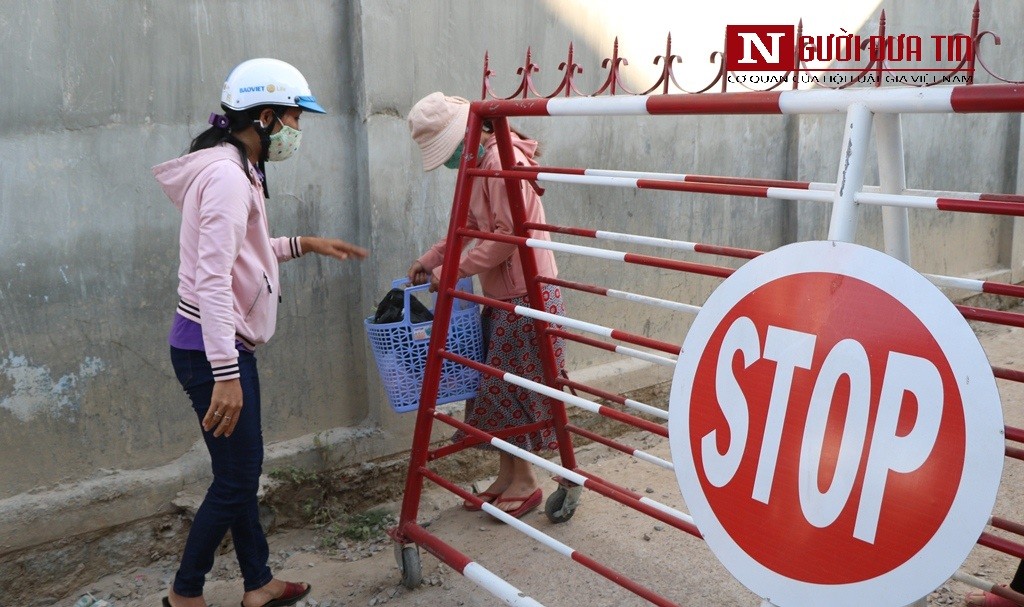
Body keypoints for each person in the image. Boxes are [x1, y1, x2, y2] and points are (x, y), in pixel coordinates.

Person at [153, 58, 368, 607]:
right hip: (211, 350)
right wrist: (226, 374)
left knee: (239, 472)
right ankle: (184, 593)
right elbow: (213, 281)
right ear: (267, 117)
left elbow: (244, 256)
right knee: (235, 480)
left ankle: (259, 583)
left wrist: (305, 243)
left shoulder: (238, 166)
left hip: (215, 346)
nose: (299, 132)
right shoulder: (227, 177)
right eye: (296, 120)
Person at [406, 92, 566, 519]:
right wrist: (431, 259)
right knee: (495, 390)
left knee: (511, 391)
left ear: (463, 136)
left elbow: (505, 237)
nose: (449, 160)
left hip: (526, 293)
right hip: (503, 294)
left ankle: (527, 481)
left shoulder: (499, 162)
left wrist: (452, 270)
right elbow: (470, 227)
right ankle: (508, 475)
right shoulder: (481, 165)